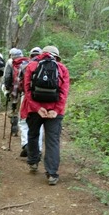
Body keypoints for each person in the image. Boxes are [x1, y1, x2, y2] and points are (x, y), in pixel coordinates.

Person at [21, 45, 70, 185]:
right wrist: (56, 109)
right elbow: (64, 92)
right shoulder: (62, 69)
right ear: (57, 56)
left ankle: (33, 162)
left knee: (33, 134)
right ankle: (52, 174)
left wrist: (37, 108)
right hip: (55, 111)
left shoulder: (31, 66)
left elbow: (27, 91)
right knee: (52, 141)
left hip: (34, 110)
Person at [18, 47, 44, 157]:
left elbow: (20, 84)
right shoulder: (47, 65)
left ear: (30, 56)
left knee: (23, 121)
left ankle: (26, 144)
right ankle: (37, 149)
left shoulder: (25, 65)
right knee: (40, 125)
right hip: (44, 101)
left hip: (27, 98)